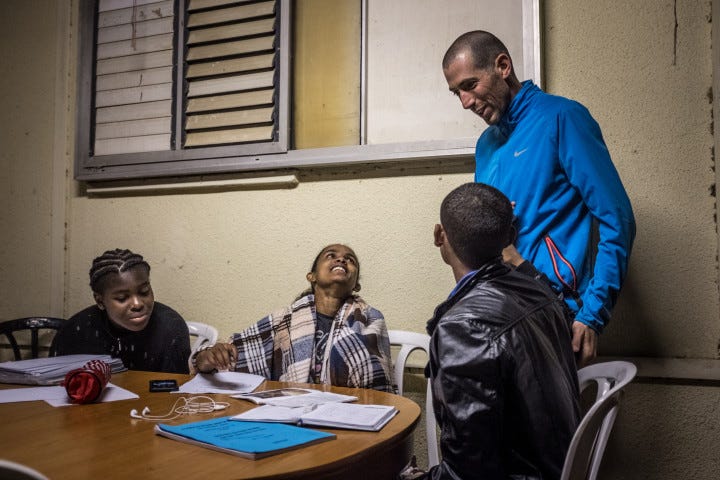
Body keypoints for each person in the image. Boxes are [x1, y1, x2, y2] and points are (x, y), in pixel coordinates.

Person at [442, 31, 636, 366]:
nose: (465, 102)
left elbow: (617, 219)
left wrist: (592, 314)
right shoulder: (486, 146)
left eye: (470, 85)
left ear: (503, 66)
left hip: (552, 313)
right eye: (456, 92)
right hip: (499, 315)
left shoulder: (563, 118)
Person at [402, 182, 580, 480]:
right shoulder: (541, 292)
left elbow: (469, 472)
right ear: (510, 237)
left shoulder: (463, 326)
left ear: (439, 235)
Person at [192, 244, 394, 392]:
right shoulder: (283, 320)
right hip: (287, 415)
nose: (341, 260)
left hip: (351, 415)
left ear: (356, 285)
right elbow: (234, 356)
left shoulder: (370, 319)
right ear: (312, 276)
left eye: (350, 260)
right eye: (331, 256)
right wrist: (207, 357)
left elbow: (376, 383)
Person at [51, 249, 191, 374]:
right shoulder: (76, 331)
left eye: (144, 292)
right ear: (100, 301)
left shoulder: (170, 327)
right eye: (122, 298)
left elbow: (177, 388)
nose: (137, 304)